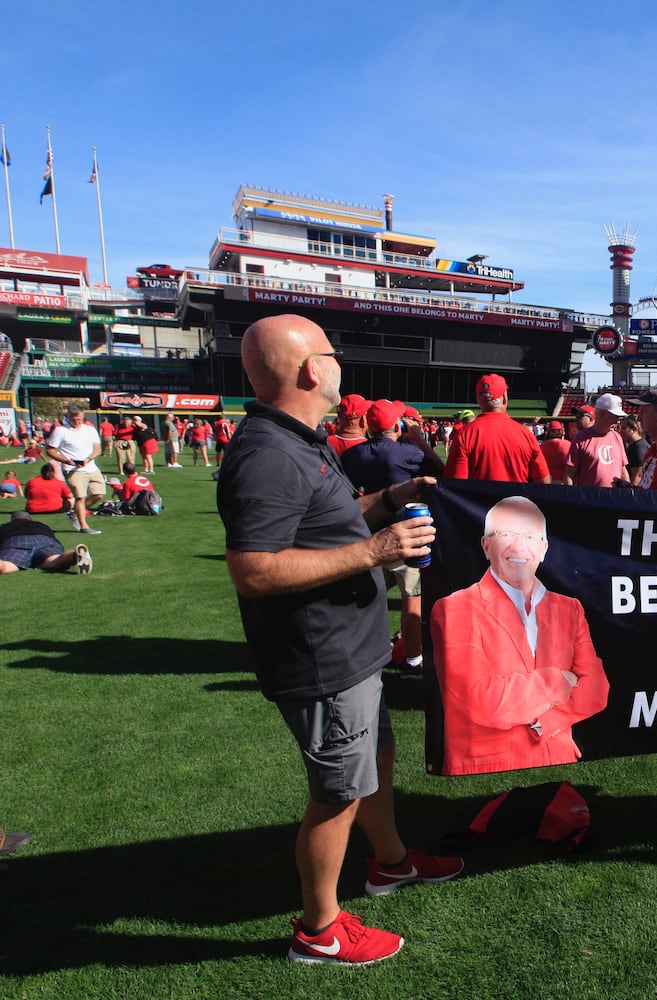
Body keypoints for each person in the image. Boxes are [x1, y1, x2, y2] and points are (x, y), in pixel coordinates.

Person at [216, 314, 462, 967]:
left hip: (350, 650)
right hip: (319, 658)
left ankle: (391, 863)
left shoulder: (299, 439)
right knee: (336, 794)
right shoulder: (267, 453)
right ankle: (318, 930)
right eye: (332, 352)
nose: (339, 362)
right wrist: (377, 550)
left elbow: (328, 525)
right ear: (310, 370)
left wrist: (390, 500)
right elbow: (254, 570)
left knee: (374, 761)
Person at [430, 496, 610, 775]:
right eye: (506, 535)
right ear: (486, 545)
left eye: (529, 536)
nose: (518, 546)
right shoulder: (454, 609)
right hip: (487, 767)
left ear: (544, 548)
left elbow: (597, 690)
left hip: (557, 757)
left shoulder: (569, 609)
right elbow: (481, 698)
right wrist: (558, 680)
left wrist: (543, 724)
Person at [340, 398, 446, 681]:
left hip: (368, 535)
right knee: (413, 600)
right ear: (396, 425)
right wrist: (420, 440)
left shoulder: (352, 455)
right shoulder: (406, 453)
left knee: (365, 600)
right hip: (405, 537)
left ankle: (361, 657)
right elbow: (438, 469)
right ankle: (412, 661)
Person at [445, 373, 550, 484]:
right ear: (505, 397)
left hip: (478, 501)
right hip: (515, 500)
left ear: (478, 399)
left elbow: (455, 484)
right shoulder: (526, 434)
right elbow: (544, 481)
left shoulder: (464, 434)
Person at [45, 404, 105, 536]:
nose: (77, 421)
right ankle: (84, 527)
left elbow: (97, 449)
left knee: (99, 494)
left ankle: (75, 513)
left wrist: (89, 459)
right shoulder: (61, 431)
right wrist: (65, 460)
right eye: (73, 419)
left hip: (91, 466)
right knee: (80, 497)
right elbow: (49, 450)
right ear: (68, 417)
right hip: (72, 469)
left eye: (79, 419)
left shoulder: (90, 430)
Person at [565, 393, 627, 487]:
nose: (618, 421)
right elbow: (569, 475)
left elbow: (623, 471)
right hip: (589, 499)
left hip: (615, 499)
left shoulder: (617, 437)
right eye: (614, 416)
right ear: (601, 414)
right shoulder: (581, 439)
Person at [0, 512, 92, 574]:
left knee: (8, 564)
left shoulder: (5, 526)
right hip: (45, 540)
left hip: (16, 542)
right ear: (29, 519)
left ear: (13, 520)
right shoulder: (41, 525)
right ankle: (73, 555)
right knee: (54, 559)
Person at [617, 415, 649, 486]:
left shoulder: (639, 447)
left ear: (634, 429)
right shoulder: (633, 446)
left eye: (624, 428)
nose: (620, 431)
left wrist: (631, 494)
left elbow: (637, 476)